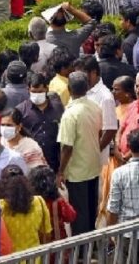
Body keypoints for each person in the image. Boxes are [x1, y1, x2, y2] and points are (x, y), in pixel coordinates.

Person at [56, 72, 102, 234]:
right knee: (91, 210)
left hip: (77, 172)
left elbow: (67, 147)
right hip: (93, 167)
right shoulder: (95, 107)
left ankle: (81, 253)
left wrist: (60, 171)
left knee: (79, 214)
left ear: (69, 89)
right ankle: (91, 248)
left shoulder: (70, 114)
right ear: (87, 87)